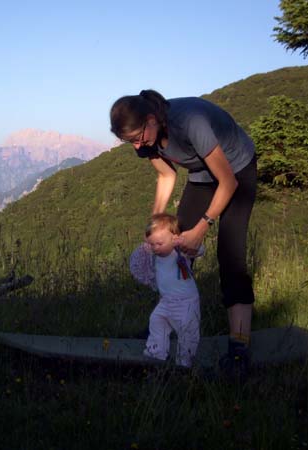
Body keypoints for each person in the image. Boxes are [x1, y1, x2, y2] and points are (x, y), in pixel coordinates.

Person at [111, 90, 257, 378]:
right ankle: (165, 325)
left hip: (237, 170)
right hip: (202, 175)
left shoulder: (191, 122)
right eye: (130, 142)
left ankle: (239, 348)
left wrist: (202, 228)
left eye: (139, 138)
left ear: (151, 119)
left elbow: (227, 182)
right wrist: (154, 227)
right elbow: (167, 175)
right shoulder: (145, 139)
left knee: (230, 256)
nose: (137, 146)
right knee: (175, 250)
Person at [130, 213, 204, 367]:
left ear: (174, 238)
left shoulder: (179, 252)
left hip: (186, 302)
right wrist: (147, 244)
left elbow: (200, 250)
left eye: (159, 243)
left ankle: (185, 361)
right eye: (152, 244)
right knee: (156, 321)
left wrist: (184, 242)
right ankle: (156, 352)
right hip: (166, 301)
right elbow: (137, 260)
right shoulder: (154, 256)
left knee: (187, 331)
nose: (156, 248)